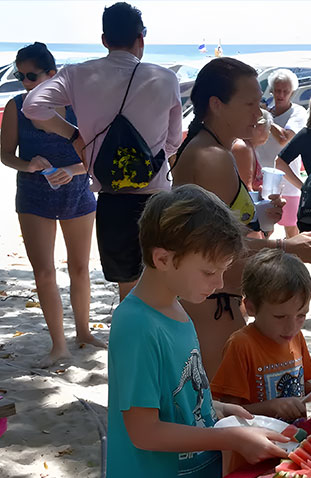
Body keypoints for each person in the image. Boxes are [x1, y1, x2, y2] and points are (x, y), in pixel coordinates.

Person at [106, 184, 290, 478]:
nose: (219, 284)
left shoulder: (176, 306)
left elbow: (181, 390)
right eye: (210, 271)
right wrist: (227, 437)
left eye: (223, 271)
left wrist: (220, 407)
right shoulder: (136, 324)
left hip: (192, 477)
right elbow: (145, 431)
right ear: (163, 258)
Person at [171, 57, 311, 381]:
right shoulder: (212, 157)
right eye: (249, 104)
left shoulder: (213, 148)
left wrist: (258, 215)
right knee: (222, 412)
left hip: (215, 301)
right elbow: (218, 246)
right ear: (217, 105)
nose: (259, 113)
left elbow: (214, 224)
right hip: (212, 307)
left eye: (259, 103)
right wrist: (287, 247)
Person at [22, 2, 182, 302]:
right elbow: (172, 143)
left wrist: (74, 136)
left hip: (112, 198)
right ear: (141, 38)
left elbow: (32, 106)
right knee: (164, 288)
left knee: (128, 291)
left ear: (105, 40)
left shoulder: (78, 74)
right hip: (156, 197)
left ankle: (128, 346)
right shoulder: (165, 78)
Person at [0, 42, 102, 367]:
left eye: (31, 76)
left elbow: (96, 157)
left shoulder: (79, 106)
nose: (25, 82)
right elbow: (4, 154)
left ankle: (83, 332)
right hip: (33, 195)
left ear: (52, 75)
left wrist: (71, 171)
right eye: (20, 75)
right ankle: (59, 345)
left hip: (77, 192)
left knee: (80, 268)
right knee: (44, 273)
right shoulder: (17, 106)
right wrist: (27, 164)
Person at [211, 249, 311, 421]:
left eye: (301, 315)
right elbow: (228, 411)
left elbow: (299, 388)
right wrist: (270, 407)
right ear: (251, 308)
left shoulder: (295, 337)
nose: (291, 327)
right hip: (259, 439)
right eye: (280, 317)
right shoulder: (241, 344)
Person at [259, 68, 308, 237]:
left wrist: (265, 117)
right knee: (264, 230)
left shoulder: (298, 112)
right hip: (263, 182)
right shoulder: (266, 113)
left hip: (288, 183)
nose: (280, 95)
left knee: (291, 231)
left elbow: (284, 138)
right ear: (271, 90)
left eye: (285, 91)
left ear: (292, 92)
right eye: (277, 90)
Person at [230, 108, 271, 193]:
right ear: (260, 128)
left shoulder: (250, 148)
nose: (269, 133)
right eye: (269, 128)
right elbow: (245, 189)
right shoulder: (243, 148)